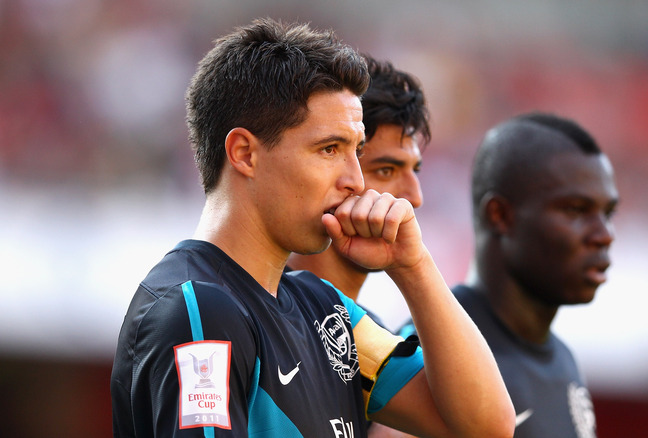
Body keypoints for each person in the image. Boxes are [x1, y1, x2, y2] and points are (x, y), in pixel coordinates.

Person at [110, 17, 514, 438]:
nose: (356, 181)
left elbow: (486, 428)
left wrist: (413, 267)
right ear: (245, 154)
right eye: (329, 149)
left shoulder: (326, 311)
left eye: (356, 151)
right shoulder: (199, 309)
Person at [399, 112, 619, 438]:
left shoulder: (563, 361)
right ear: (500, 215)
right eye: (576, 209)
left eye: (607, 213)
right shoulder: (427, 353)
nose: (604, 234)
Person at [287, 54, 430, 323]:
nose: (415, 198)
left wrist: (414, 267)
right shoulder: (263, 309)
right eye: (386, 170)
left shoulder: (369, 330)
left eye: (415, 170)